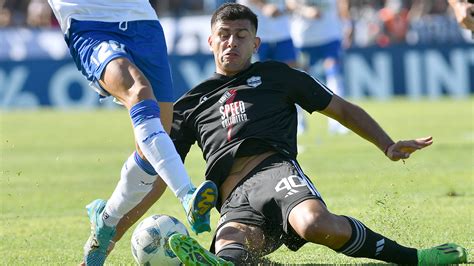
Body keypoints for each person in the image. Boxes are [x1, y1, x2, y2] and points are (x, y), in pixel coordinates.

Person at [164, 3, 467, 265]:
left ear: (256, 44)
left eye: (241, 36)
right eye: (224, 35)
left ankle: (415, 258)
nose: (232, 42)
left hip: (274, 172)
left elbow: (342, 109)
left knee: (314, 224)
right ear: (210, 41)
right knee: (230, 251)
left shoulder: (277, 75)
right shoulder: (190, 104)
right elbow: (163, 158)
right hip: (232, 200)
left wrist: (386, 144)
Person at [47, 1, 218, 265]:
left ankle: (105, 222)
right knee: (138, 91)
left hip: (144, 23)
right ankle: (187, 195)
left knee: (151, 155)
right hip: (90, 23)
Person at [288, 0, 351, 135]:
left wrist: (347, 23)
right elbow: (289, 3)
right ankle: (299, 122)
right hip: (302, 38)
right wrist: (305, 10)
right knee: (297, 79)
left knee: (334, 74)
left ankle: (338, 122)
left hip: (330, 36)